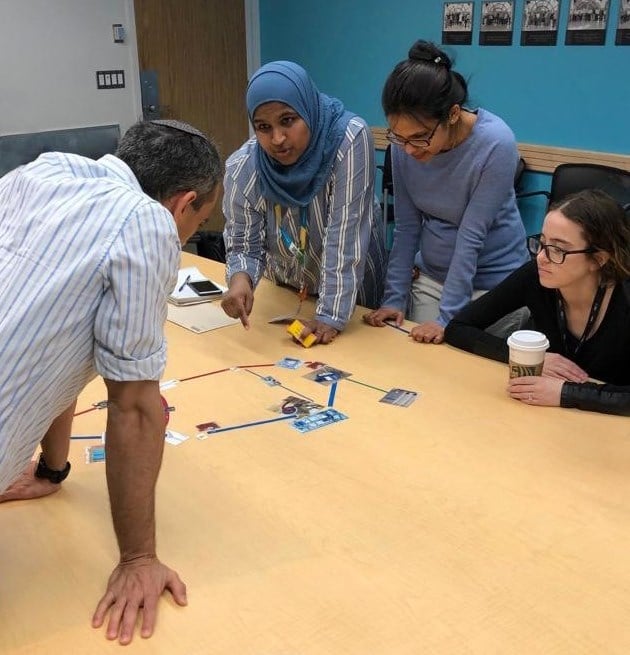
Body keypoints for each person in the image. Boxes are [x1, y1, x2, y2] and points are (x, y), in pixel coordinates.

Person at [0, 119, 222, 643]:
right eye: (200, 221)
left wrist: (52, 471)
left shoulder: (44, 172)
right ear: (181, 204)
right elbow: (136, 406)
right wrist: (139, 559)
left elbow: (56, 338)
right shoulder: (147, 223)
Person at [364, 40, 529, 344]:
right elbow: (406, 227)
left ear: (453, 114)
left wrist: (448, 319)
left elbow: (471, 235)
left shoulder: (496, 143)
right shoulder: (403, 146)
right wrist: (394, 299)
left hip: (494, 285)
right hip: (432, 278)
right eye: (399, 137)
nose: (409, 149)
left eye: (420, 137)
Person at [221, 60, 387, 345]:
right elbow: (243, 243)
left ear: (308, 109)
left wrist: (330, 316)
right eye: (263, 127)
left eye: (288, 120)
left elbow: (345, 238)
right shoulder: (243, 167)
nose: (278, 138)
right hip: (288, 291)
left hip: (349, 295)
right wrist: (240, 280)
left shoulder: (348, 141)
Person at [444, 189, 630, 415]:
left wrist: (564, 393)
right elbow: (458, 328)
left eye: (558, 249)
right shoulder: (536, 275)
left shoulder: (624, 298)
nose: (541, 258)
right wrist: (530, 359)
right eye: (541, 244)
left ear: (598, 259)